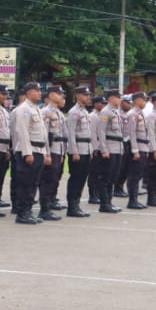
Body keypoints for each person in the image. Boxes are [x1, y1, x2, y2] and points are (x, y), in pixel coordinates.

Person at [9, 82, 48, 225]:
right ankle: (22, 213)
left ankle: (28, 210)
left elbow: (41, 133)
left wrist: (44, 152)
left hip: (37, 150)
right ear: (30, 92)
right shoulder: (23, 109)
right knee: (25, 183)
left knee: (33, 183)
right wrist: (27, 152)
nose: (39, 93)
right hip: (29, 150)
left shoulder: (35, 109)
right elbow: (22, 132)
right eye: (37, 91)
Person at [38, 86, 67, 221]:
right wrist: (47, 154)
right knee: (47, 180)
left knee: (54, 180)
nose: (61, 96)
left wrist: (62, 153)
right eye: (59, 94)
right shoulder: (45, 112)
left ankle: (49, 206)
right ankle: (44, 209)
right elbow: (45, 135)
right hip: (51, 150)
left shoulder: (59, 113)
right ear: (51, 95)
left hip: (58, 150)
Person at [64, 86, 94, 218]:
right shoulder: (74, 112)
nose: (88, 97)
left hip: (86, 149)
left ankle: (77, 204)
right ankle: (72, 206)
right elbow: (71, 134)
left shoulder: (85, 112)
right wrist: (74, 151)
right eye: (85, 95)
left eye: (88, 95)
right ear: (78, 96)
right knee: (75, 178)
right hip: (78, 150)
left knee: (82, 178)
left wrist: (91, 150)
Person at [95, 90, 124, 213]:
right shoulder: (105, 112)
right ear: (111, 98)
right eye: (118, 98)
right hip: (109, 148)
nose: (120, 100)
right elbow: (101, 132)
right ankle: (104, 204)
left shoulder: (115, 112)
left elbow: (119, 132)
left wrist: (121, 147)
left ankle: (109, 202)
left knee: (113, 177)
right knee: (106, 177)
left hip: (117, 147)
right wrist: (104, 149)